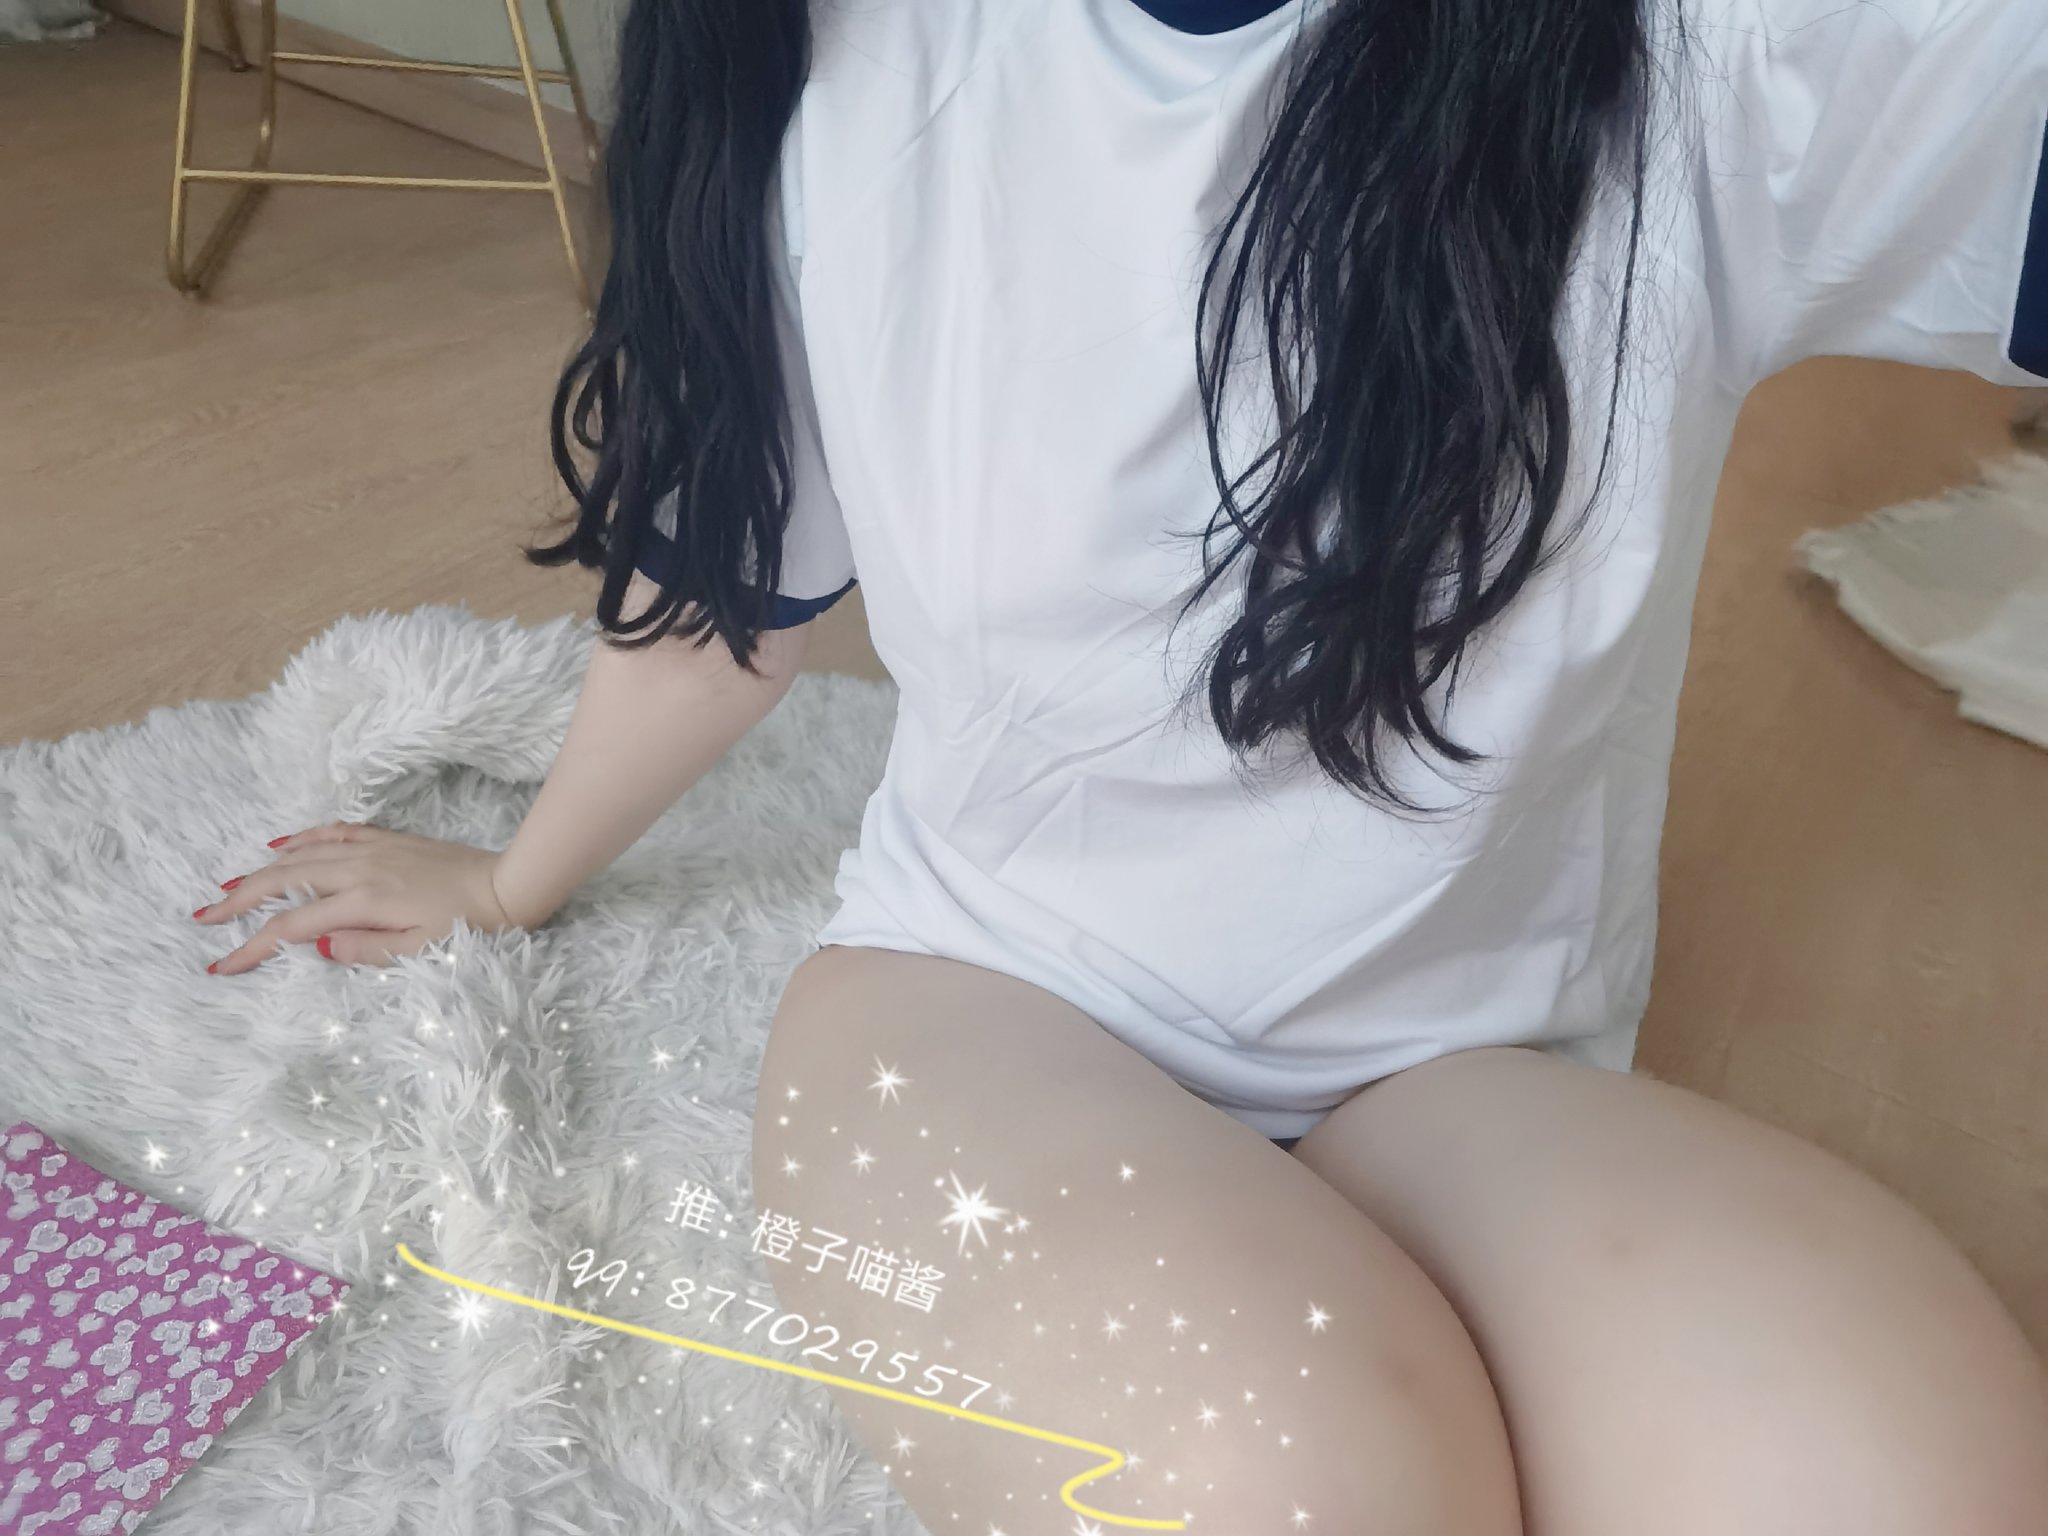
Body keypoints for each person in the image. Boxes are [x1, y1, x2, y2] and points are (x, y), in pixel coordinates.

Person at [197, 0, 2048, 1527]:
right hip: (986, 997)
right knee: (1302, 1486)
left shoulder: (1710, 53)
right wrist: (509, 877)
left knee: (1905, 1481)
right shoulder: (826, 57)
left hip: (1464, 1062)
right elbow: (729, 581)